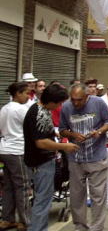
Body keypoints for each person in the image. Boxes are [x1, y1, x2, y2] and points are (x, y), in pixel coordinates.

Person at [24, 84, 79, 231]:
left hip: (44, 162)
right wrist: (64, 147)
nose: (60, 106)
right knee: (42, 200)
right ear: (51, 101)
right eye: (59, 103)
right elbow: (41, 142)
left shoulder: (44, 110)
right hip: (40, 163)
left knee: (44, 199)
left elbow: (42, 132)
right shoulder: (38, 113)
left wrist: (55, 134)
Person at [59, 84, 108, 231]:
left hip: (96, 157)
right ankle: (80, 226)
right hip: (75, 158)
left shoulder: (98, 103)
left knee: (98, 196)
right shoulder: (66, 107)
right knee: (76, 196)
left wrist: (99, 131)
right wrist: (73, 135)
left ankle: (97, 227)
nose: (76, 103)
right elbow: (62, 130)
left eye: (80, 100)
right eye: (73, 100)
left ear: (87, 96)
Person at [0, 82, 31, 230]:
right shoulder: (21, 110)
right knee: (22, 186)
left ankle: (7, 219)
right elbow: (31, 129)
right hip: (17, 150)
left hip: (4, 150)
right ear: (18, 93)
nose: (28, 96)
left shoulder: (4, 109)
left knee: (8, 186)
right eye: (26, 93)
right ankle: (24, 221)